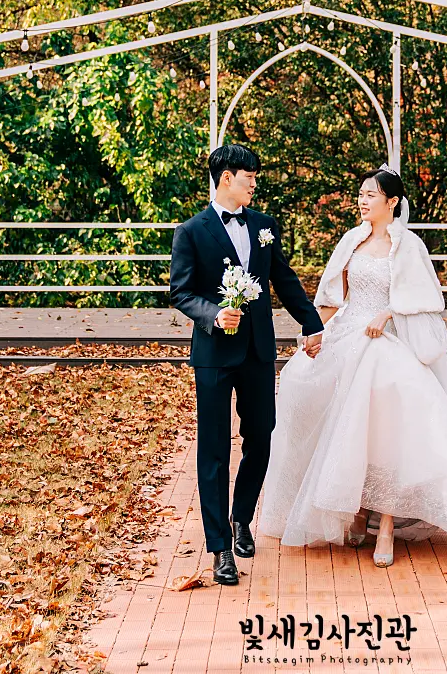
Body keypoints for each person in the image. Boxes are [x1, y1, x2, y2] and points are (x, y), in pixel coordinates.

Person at [258, 166, 447, 566]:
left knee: (389, 421)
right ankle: (356, 509)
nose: (362, 201)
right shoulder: (352, 240)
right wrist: (312, 334)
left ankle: (385, 524)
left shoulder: (408, 246)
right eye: (361, 194)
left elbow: (427, 299)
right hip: (348, 333)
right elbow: (332, 296)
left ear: (392, 202)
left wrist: (387, 313)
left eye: (371, 194)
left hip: (388, 339)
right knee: (324, 402)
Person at [169, 144, 324, 587]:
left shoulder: (264, 226)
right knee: (214, 449)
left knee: (261, 435)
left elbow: (284, 278)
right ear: (226, 178)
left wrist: (312, 322)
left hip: (257, 351)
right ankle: (220, 547)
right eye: (248, 176)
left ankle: (242, 518)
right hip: (214, 356)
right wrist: (214, 314)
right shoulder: (190, 232)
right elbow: (180, 291)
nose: (255, 183)